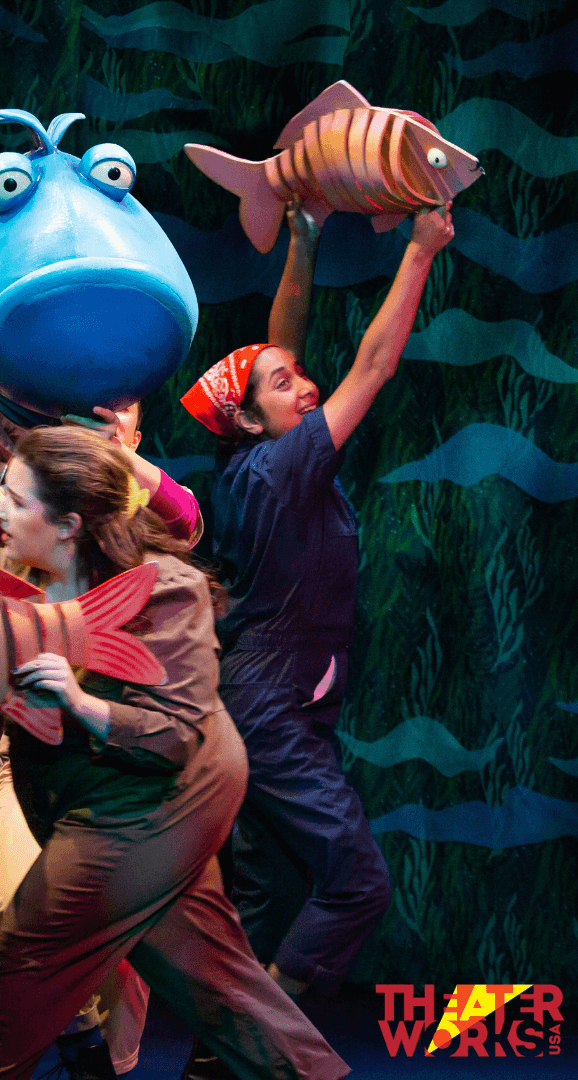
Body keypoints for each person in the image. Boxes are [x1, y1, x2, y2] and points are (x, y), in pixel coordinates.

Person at [0, 424, 350, 1080]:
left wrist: (78, 701)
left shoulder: (163, 587)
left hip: (163, 800)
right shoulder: (15, 584)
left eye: (13, 499)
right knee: (222, 989)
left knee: (14, 986)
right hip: (87, 798)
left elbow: (172, 735)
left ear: (68, 525)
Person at [180, 203, 455, 1009]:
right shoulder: (278, 470)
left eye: (299, 375)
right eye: (284, 384)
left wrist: (302, 240)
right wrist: (420, 251)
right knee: (357, 882)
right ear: (246, 418)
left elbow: (281, 343)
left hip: (264, 708)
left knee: (266, 900)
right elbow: (374, 366)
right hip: (272, 716)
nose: (306, 385)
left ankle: (228, 1050)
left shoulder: (257, 460)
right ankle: (268, 1031)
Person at [0, 369, 201, 1078]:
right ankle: (81, 1047)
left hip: (127, 759)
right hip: (38, 759)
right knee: (28, 920)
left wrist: (116, 454)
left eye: (120, 409)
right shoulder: (37, 508)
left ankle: (108, 1056)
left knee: (125, 948)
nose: (101, 413)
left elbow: (187, 518)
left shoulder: (138, 508)